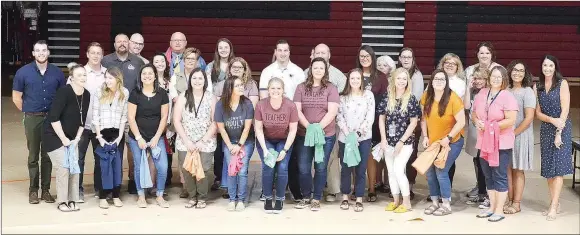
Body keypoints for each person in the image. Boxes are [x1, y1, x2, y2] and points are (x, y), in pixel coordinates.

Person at [12, 40, 65, 204]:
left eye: (44, 50)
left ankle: (46, 190)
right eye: (38, 51)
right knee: (33, 155)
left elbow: (62, 97)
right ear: (33, 53)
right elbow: (16, 97)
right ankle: (33, 190)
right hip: (32, 118)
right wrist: (29, 113)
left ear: (48, 53)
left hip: (51, 119)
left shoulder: (57, 73)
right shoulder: (23, 72)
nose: (41, 53)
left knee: (48, 156)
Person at [472, 65, 518, 222]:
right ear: (489, 78)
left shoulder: (507, 96)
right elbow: (473, 113)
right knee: (487, 175)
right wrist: (477, 121)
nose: (496, 79)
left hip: (501, 143)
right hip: (483, 141)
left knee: (499, 175)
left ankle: (499, 209)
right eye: (493, 76)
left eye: (499, 77)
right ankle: (491, 207)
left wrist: (491, 126)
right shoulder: (482, 93)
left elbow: (511, 120)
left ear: (504, 79)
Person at [293, 57, 339, 211]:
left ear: (325, 71)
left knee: (320, 166)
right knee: (304, 167)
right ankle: (306, 196)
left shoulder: (331, 88)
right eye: (315, 67)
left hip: (325, 135)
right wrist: (309, 127)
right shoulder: (301, 88)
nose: (318, 70)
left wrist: (317, 128)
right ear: (310, 70)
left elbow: (332, 111)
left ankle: (316, 198)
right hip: (303, 134)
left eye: (321, 68)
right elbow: (297, 110)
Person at [102, 33, 146, 194]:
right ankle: (113, 183)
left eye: (124, 41)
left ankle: (133, 180)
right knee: (112, 148)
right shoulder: (105, 61)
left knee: (132, 149)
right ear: (114, 44)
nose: (122, 44)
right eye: (118, 41)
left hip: (132, 114)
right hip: (111, 114)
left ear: (129, 44)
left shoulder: (137, 61)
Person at [43, 63, 90, 212]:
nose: (82, 77)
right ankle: (62, 201)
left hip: (72, 138)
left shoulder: (87, 94)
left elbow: (82, 121)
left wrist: (76, 139)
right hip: (54, 136)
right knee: (64, 167)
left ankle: (73, 199)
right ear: (71, 78)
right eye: (79, 75)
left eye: (84, 74)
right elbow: (54, 118)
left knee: (74, 168)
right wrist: (64, 139)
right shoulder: (64, 92)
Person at [303, 43, 347, 202]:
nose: (321, 54)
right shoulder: (306, 73)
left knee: (330, 158)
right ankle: (314, 190)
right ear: (312, 54)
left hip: (330, 124)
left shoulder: (338, 76)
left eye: (324, 52)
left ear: (329, 55)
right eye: (318, 52)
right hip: (308, 125)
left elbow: (344, 99)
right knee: (310, 160)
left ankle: (332, 190)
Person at [421, 69, 465, 216]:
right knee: (430, 172)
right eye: (436, 79)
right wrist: (425, 136)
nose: (439, 82)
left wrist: (449, 138)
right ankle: (434, 203)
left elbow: (461, 122)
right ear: (431, 81)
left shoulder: (453, 98)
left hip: (452, 141)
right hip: (434, 142)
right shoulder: (427, 96)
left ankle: (446, 204)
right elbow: (423, 119)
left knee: (441, 170)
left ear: (446, 82)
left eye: (442, 79)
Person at [534, 55, 572, 221]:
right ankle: (554, 202)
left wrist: (558, 132)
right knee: (549, 169)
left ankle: (554, 205)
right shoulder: (538, 86)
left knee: (558, 169)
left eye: (550, 65)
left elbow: (565, 110)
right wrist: (551, 120)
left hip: (562, 128)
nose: (547, 68)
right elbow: (537, 113)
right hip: (546, 128)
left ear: (555, 67)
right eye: (544, 65)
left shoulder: (562, 83)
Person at [173, 68, 218, 209]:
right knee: (187, 170)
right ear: (189, 80)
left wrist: (202, 141)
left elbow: (215, 122)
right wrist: (187, 141)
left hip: (205, 141)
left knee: (204, 170)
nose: (197, 81)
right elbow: (176, 120)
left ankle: (202, 197)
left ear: (205, 81)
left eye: (200, 78)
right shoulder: (183, 97)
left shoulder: (211, 97)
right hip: (185, 141)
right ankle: (192, 197)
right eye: (194, 78)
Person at [126, 64, 170, 208]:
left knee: (162, 166)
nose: (147, 76)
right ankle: (141, 196)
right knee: (139, 166)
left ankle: (159, 195)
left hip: (156, 137)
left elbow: (164, 117)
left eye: (150, 73)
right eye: (144, 73)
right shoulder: (135, 93)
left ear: (155, 75)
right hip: (137, 137)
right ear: (140, 76)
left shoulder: (162, 94)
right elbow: (131, 118)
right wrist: (139, 138)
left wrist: (157, 137)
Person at [378, 67, 421, 213]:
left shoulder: (411, 99)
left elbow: (414, 123)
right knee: (390, 171)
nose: (401, 81)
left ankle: (407, 201)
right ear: (393, 80)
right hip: (389, 141)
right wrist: (383, 139)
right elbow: (381, 118)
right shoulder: (387, 96)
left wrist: (401, 141)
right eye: (399, 78)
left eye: (404, 79)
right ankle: (396, 200)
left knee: (398, 169)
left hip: (405, 142)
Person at [254, 77, 299, 213]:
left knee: (282, 167)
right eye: (272, 88)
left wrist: (285, 150)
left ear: (283, 90)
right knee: (268, 166)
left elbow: (293, 130)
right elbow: (258, 129)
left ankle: (279, 198)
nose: (275, 91)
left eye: (278, 88)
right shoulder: (261, 105)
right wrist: (265, 150)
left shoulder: (290, 105)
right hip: (266, 140)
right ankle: (268, 198)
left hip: (284, 140)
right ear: (268, 90)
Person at [336, 68, 374, 212]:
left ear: (361, 80)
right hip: (345, 138)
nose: (355, 81)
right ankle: (345, 197)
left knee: (360, 169)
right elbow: (339, 117)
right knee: (345, 168)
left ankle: (359, 198)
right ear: (348, 80)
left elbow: (370, 117)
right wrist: (348, 134)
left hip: (363, 138)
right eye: (352, 78)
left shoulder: (368, 95)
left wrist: (357, 134)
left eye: (358, 78)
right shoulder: (342, 97)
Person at [215, 77, 255, 211]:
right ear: (230, 88)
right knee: (232, 170)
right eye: (237, 85)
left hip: (245, 142)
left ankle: (241, 200)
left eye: (241, 85)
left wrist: (239, 145)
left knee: (242, 171)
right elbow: (221, 128)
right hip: (229, 142)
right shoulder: (220, 104)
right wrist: (230, 146)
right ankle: (232, 199)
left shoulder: (247, 103)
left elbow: (247, 128)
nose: (241, 87)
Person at [92, 67, 129, 209]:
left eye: (110, 78)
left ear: (117, 79)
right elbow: (95, 115)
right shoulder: (99, 92)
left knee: (116, 165)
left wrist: (120, 136)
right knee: (103, 166)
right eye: (106, 77)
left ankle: (116, 195)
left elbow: (123, 116)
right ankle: (103, 196)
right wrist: (99, 137)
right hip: (102, 133)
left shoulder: (124, 93)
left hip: (116, 133)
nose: (107, 80)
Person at [356, 45, 389, 202]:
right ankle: (356, 188)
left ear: (372, 57)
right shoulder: (354, 74)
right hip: (354, 122)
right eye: (361, 56)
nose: (364, 58)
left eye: (367, 56)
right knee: (354, 155)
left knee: (369, 156)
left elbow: (385, 100)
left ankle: (371, 188)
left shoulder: (381, 77)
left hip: (374, 122)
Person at [77, 42, 107, 202]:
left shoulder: (106, 74)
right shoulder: (80, 73)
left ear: (102, 56)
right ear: (87, 54)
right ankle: (78, 190)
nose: (95, 56)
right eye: (92, 53)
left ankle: (99, 189)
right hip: (82, 126)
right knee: (79, 159)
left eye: (98, 53)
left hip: (100, 127)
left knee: (99, 159)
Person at [505, 60, 536, 215]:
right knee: (507, 169)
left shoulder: (527, 91)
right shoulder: (506, 89)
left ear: (525, 74)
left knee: (518, 170)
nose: (517, 73)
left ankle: (516, 203)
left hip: (520, 135)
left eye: (521, 71)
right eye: (515, 70)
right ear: (510, 72)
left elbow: (529, 118)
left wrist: (514, 133)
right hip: (506, 135)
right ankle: (509, 200)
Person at [397, 47, 424, 199]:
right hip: (395, 120)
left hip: (411, 120)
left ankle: (410, 185)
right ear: (399, 58)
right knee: (396, 152)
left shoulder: (417, 75)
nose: (406, 59)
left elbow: (416, 98)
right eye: (404, 57)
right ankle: (396, 185)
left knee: (411, 153)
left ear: (413, 59)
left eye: (409, 57)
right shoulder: (396, 74)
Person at [464, 66, 491, 207]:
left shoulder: (489, 93)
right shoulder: (473, 92)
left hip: (486, 130)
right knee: (477, 160)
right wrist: (468, 88)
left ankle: (486, 193)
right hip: (475, 130)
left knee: (484, 162)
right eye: (476, 78)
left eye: (481, 78)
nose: (478, 81)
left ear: (486, 80)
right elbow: (467, 106)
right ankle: (480, 192)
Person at [151, 53, 174, 198]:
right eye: (156, 61)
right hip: (153, 123)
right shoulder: (148, 81)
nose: (159, 63)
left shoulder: (170, 82)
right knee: (152, 155)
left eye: (162, 61)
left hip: (168, 123)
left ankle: (162, 184)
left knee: (165, 155)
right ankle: (152, 185)